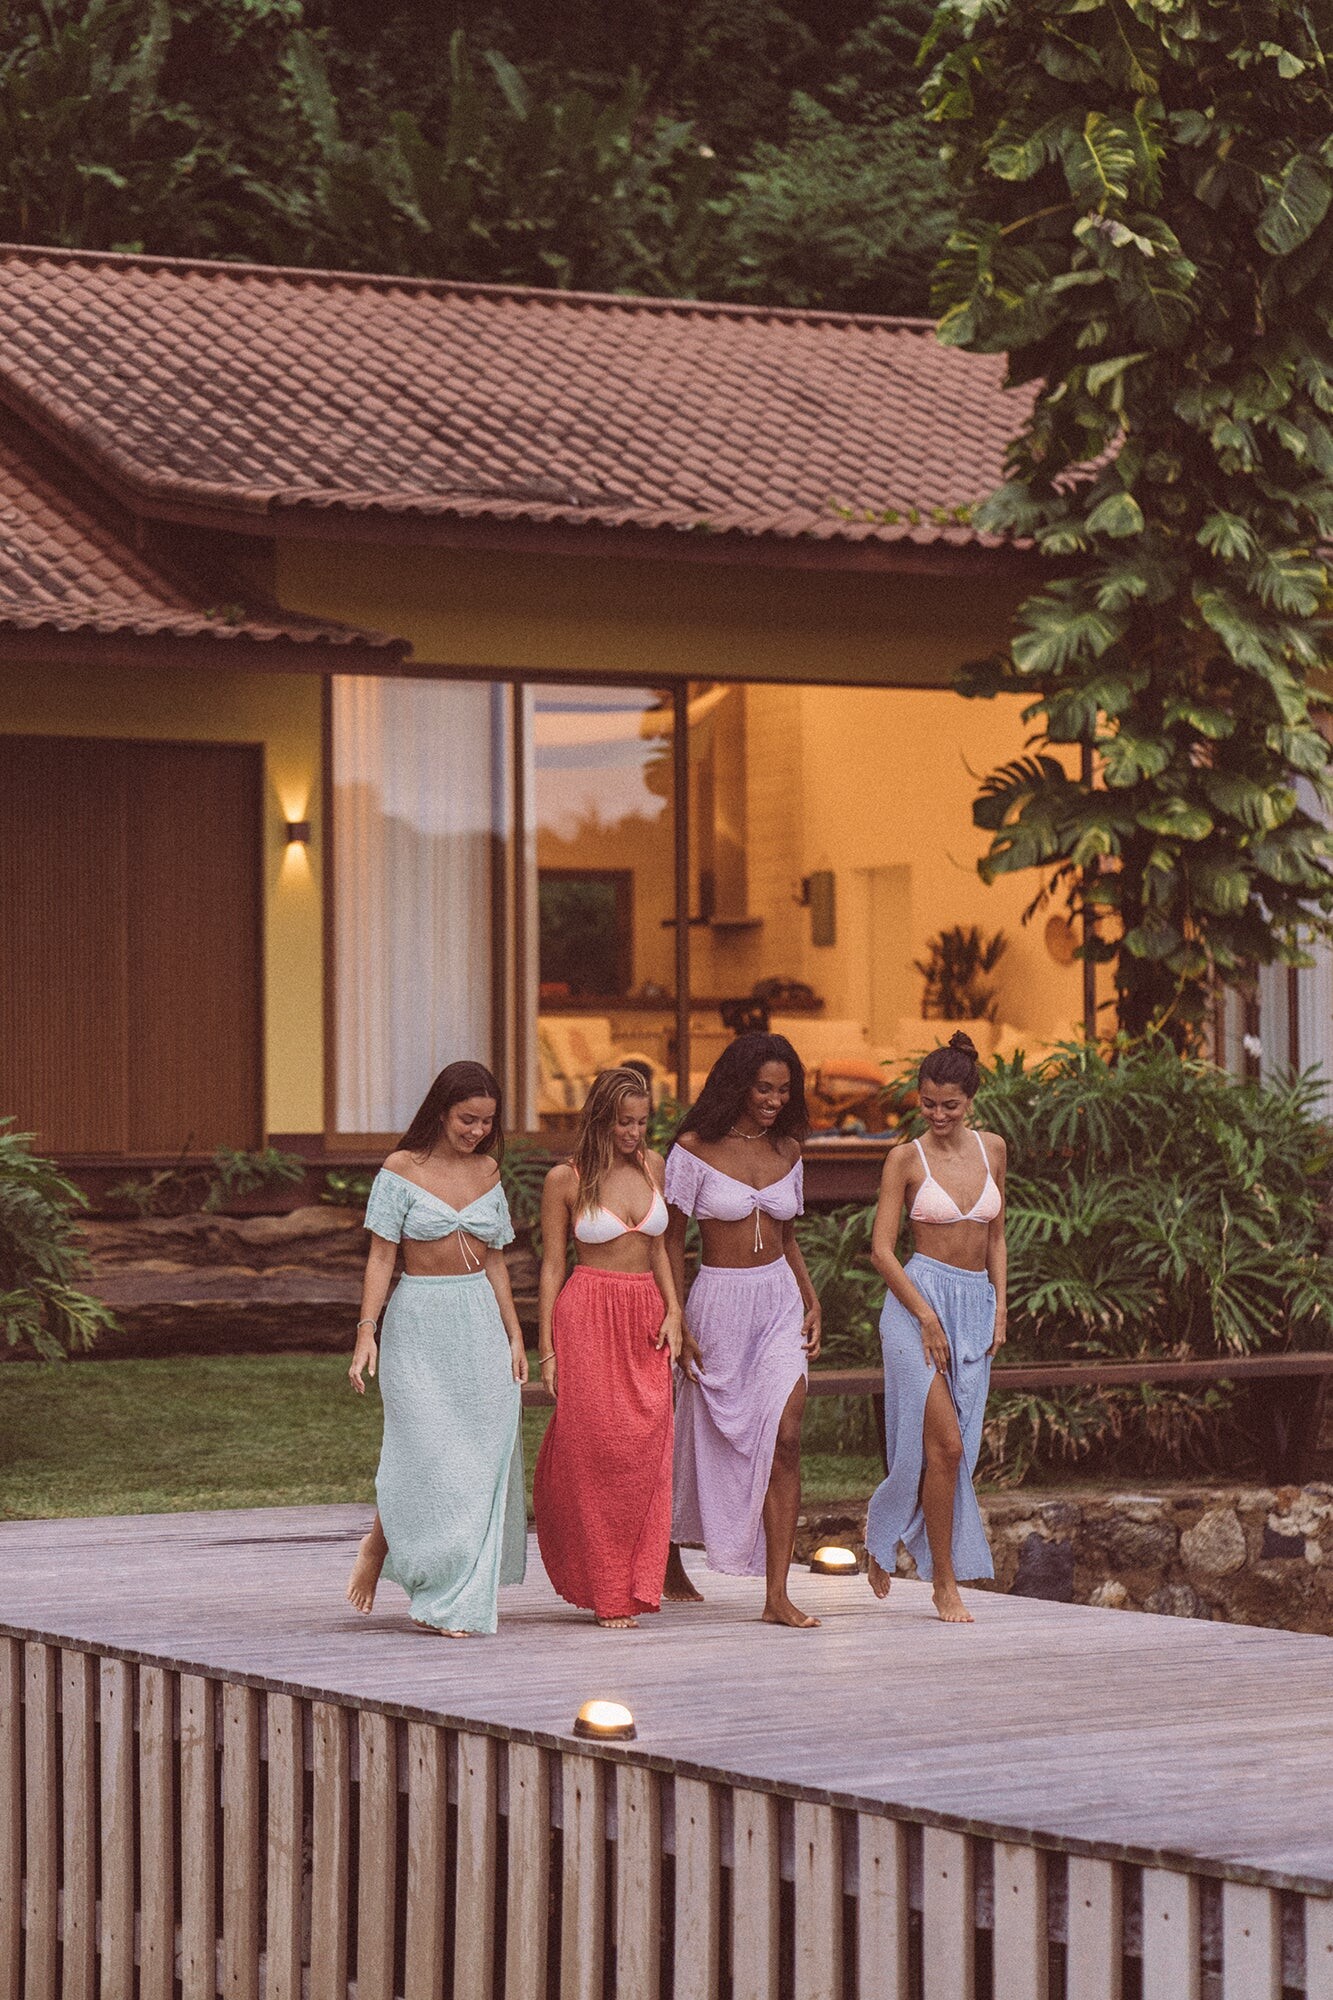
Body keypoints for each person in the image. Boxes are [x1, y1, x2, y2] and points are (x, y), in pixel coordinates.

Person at [345, 1060, 528, 1637]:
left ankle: (455, 1596)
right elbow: (381, 1257)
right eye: (467, 1119)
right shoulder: (401, 1169)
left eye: (487, 1121)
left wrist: (515, 1332)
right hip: (419, 1323)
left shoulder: (488, 1171)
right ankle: (381, 1547)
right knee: (424, 1452)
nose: (477, 1130)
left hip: (479, 1321)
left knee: (479, 1456)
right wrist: (366, 1331)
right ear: (442, 1111)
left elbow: (495, 1260)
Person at [660, 1032, 823, 1629]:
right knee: (692, 1433)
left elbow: (788, 1238)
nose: (775, 1100)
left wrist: (812, 1299)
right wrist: (676, 1315)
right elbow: (670, 1241)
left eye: (783, 1090)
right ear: (738, 1085)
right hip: (718, 1303)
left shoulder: (789, 1150)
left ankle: (776, 1594)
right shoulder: (693, 1149)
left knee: (786, 1434)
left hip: (779, 1304)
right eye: (763, 1089)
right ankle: (667, 1556)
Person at [864, 1030, 1007, 1623]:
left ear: (971, 1099)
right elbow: (881, 1250)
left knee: (953, 1453)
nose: (938, 1115)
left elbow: (996, 1237)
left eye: (950, 1105)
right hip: (914, 1306)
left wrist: (1001, 1306)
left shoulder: (994, 1149)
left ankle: (883, 1534)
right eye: (928, 1104)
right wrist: (924, 1315)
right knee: (943, 1444)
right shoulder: (905, 1159)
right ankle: (943, 1582)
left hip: (974, 1307)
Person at [532, 1068, 684, 1628]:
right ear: (600, 1118)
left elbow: (660, 1249)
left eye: (642, 1122)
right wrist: (547, 1347)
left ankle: (636, 1580)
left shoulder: (653, 1166)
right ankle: (607, 1590)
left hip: (646, 1316)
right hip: (588, 1314)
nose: (634, 1133)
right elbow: (553, 1266)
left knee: (645, 1451)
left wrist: (674, 1312)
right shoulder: (565, 1179)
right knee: (595, 1452)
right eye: (624, 1122)